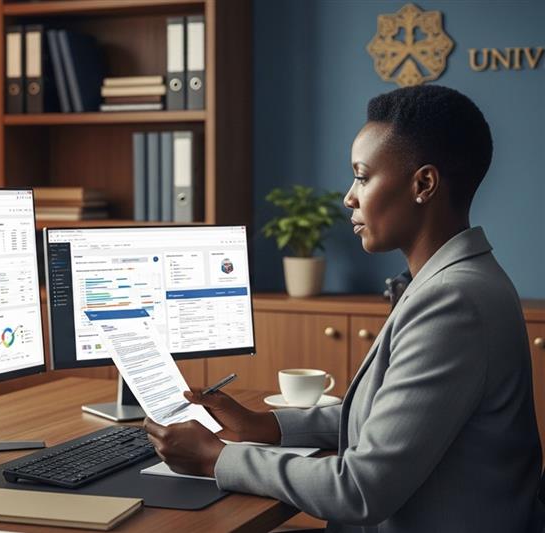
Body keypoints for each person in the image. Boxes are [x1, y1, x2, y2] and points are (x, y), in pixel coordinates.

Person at [143, 85, 545, 532]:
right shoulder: (456, 280)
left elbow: (359, 489)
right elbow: (390, 416)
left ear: (423, 184)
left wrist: (216, 457)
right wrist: (264, 426)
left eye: (362, 176)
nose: (348, 198)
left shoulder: (453, 302)